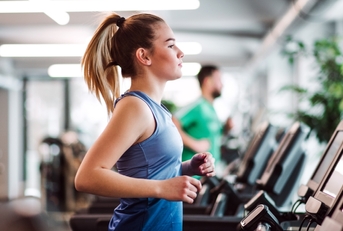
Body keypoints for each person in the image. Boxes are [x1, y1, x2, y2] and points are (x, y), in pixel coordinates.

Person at [74, 12, 215, 231]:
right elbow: (87, 177)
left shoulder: (156, 109)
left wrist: (187, 167)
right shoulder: (135, 107)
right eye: (170, 45)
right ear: (144, 56)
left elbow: (150, 171)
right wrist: (161, 188)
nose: (180, 52)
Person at [172, 65, 230, 175]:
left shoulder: (211, 108)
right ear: (208, 81)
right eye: (219, 80)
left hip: (208, 174)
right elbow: (173, 122)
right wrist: (195, 144)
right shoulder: (198, 106)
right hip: (194, 176)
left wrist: (227, 127)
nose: (222, 84)